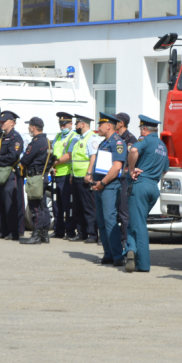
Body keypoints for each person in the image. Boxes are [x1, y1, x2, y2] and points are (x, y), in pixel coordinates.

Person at [124, 115, 169, 272]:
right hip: (153, 187)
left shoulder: (145, 140)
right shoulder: (162, 145)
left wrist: (131, 169)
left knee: (139, 224)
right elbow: (164, 169)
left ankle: (142, 264)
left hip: (140, 185)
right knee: (136, 221)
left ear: (144, 129)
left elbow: (134, 149)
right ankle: (130, 249)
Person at [89, 113, 126, 266]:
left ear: (109, 126)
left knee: (110, 219)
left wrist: (102, 183)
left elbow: (117, 167)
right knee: (102, 221)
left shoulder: (117, 142)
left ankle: (118, 255)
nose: (98, 128)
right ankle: (108, 253)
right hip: (100, 185)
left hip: (108, 186)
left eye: (100, 125)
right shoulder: (104, 142)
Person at [0, 110, 24, 241]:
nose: (1, 124)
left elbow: (13, 156)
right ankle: (3, 229)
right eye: (0, 122)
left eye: (4, 122)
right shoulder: (0, 136)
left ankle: (14, 231)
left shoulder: (16, 138)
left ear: (12, 123)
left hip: (9, 174)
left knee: (10, 204)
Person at [20, 117, 52, 245]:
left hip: (35, 178)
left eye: (29, 126)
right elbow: (51, 159)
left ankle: (36, 235)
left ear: (33, 127)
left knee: (35, 207)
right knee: (43, 206)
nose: (29, 129)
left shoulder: (36, 142)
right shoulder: (48, 141)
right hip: (43, 176)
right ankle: (44, 234)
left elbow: (25, 159)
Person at [70, 114, 99, 243]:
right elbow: (75, 158)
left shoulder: (91, 138)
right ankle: (81, 233)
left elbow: (93, 156)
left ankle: (92, 234)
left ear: (82, 124)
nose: (75, 126)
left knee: (88, 207)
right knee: (78, 207)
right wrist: (71, 174)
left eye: (77, 124)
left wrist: (89, 173)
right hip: (76, 176)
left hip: (85, 177)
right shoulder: (78, 139)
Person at [49, 112, 78, 239]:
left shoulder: (73, 136)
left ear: (71, 124)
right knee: (56, 204)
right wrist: (51, 165)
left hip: (67, 174)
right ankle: (58, 230)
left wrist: (55, 162)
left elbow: (69, 155)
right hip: (56, 173)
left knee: (68, 205)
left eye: (65, 124)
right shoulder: (58, 136)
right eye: (60, 124)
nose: (62, 126)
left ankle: (70, 231)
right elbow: (52, 151)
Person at [114, 112, 135, 247]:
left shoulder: (130, 139)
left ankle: (125, 239)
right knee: (115, 210)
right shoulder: (116, 138)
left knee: (124, 210)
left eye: (115, 121)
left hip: (125, 179)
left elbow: (130, 159)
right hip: (115, 177)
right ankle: (116, 237)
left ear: (122, 123)